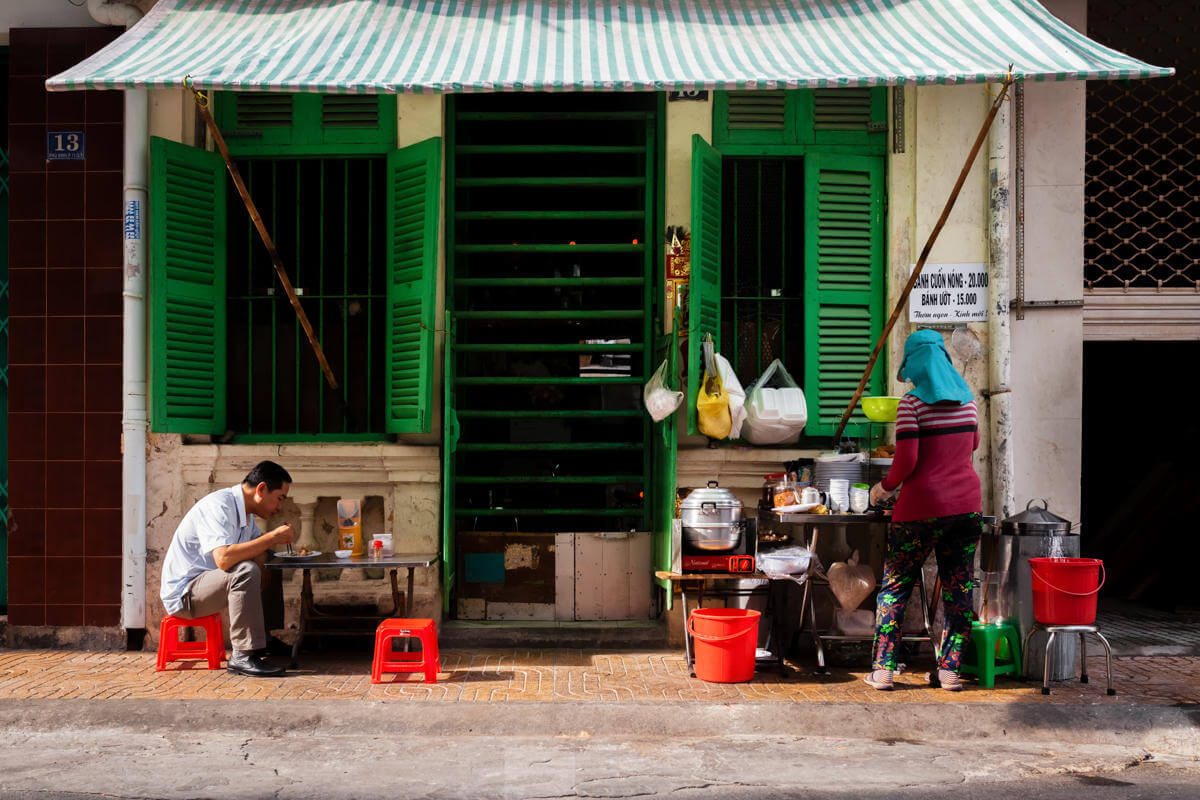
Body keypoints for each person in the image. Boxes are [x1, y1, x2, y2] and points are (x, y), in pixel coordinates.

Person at [865, 329, 982, 692]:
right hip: (966, 508)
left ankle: (883, 670)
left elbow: (906, 463)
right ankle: (949, 670)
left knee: (896, 588)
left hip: (920, 511)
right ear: (944, 358)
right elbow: (972, 446)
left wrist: (880, 491)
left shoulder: (912, 405)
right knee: (959, 589)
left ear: (913, 363)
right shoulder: (968, 402)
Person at [160, 461, 296, 677]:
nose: (280, 507)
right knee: (246, 570)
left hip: (207, 586)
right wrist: (273, 537)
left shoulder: (246, 515)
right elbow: (223, 559)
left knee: (269, 558)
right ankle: (242, 656)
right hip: (185, 595)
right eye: (279, 498)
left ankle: (265, 640)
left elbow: (257, 545)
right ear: (261, 489)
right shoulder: (220, 506)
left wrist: (267, 549)